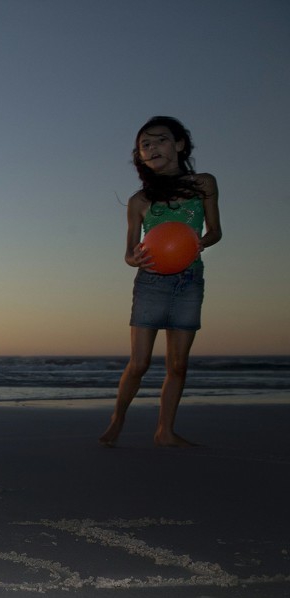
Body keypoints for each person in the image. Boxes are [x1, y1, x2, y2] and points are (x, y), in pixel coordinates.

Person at [99, 116, 222, 448]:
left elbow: (215, 231)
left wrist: (202, 243)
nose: (152, 148)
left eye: (160, 140)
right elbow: (128, 252)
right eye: (145, 145)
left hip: (189, 280)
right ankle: (117, 419)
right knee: (139, 363)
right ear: (140, 156)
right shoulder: (139, 201)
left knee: (178, 365)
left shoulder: (204, 184)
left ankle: (164, 430)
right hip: (151, 281)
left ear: (179, 144)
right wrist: (134, 258)